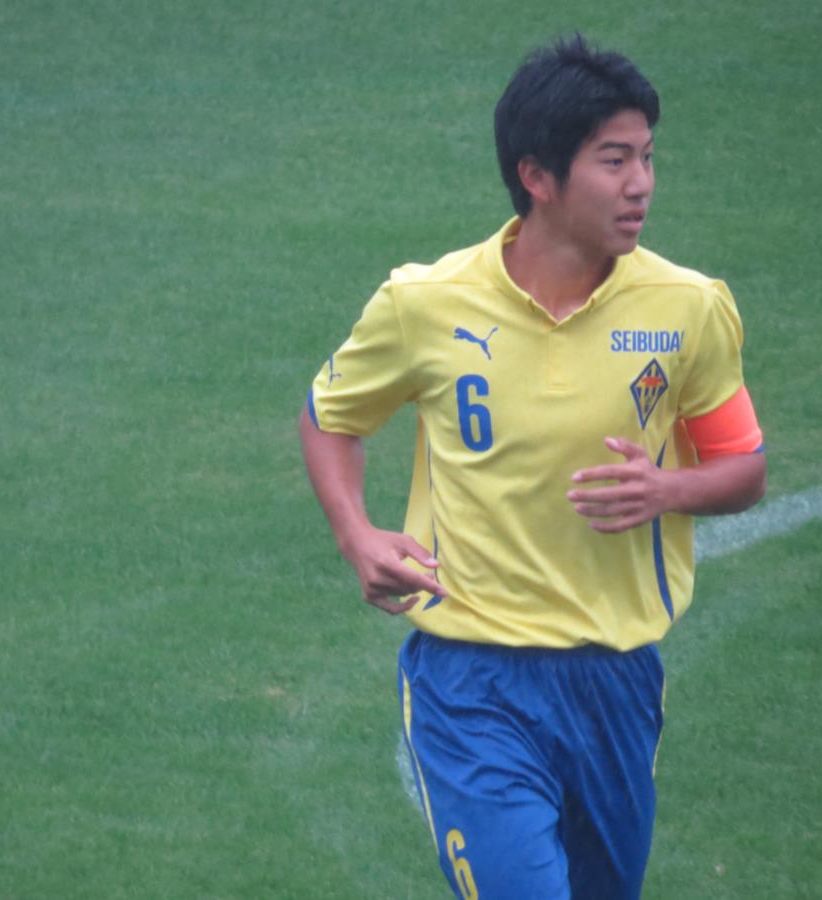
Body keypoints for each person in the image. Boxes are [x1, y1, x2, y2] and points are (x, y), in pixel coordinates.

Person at [299, 34, 766, 900]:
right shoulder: (424, 303)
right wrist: (355, 533)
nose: (640, 183)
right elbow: (331, 416)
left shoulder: (689, 308)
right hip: (471, 681)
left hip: (617, 682)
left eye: (647, 157)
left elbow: (744, 467)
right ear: (537, 177)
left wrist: (667, 489)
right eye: (613, 161)